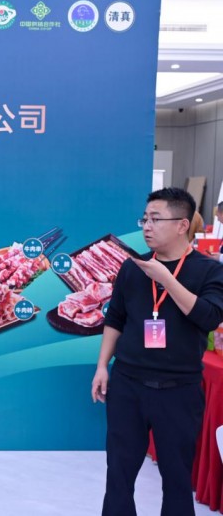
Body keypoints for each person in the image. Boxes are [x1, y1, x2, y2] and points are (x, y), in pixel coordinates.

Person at [91, 187, 223, 516]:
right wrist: (102, 365)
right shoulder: (132, 267)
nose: (146, 227)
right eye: (144, 219)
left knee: (176, 479)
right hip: (128, 385)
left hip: (179, 390)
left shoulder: (209, 270)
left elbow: (209, 317)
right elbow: (115, 318)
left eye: (155, 219)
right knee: (118, 475)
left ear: (182, 225)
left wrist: (168, 280)